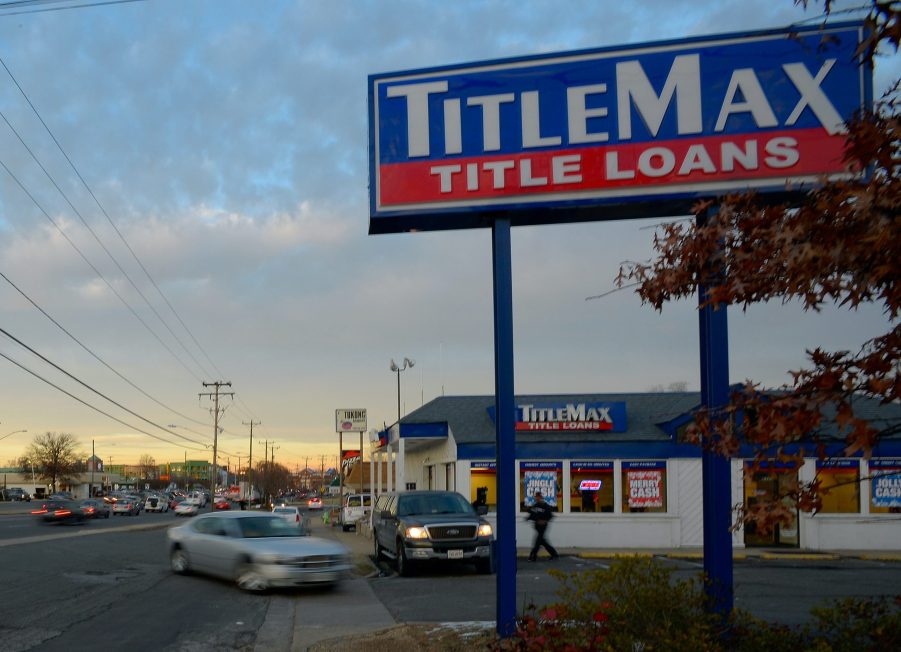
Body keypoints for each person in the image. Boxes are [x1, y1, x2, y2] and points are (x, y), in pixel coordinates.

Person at [526, 491, 559, 561]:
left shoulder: (545, 506)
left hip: (543, 527)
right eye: (536, 497)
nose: (536, 498)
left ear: (541, 497)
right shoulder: (535, 506)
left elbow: (550, 516)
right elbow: (532, 514)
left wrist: (544, 521)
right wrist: (528, 518)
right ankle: (554, 554)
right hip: (537, 527)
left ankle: (533, 556)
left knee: (537, 541)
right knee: (542, 541)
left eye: (538, 497)